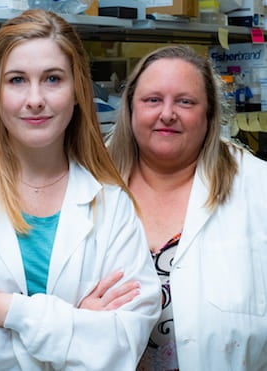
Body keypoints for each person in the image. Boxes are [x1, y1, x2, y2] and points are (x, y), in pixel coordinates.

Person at [0, 9, 161, 371]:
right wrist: (74, 328)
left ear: (78, 90)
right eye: (17, 80)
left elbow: (123, 344)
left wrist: (13, 311)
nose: (35, 99)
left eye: (52, 79)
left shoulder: (111, 203)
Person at [107, 44, 267, 370]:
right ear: (130, 108)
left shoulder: (257, 186)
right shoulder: (89, 182)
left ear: (209, 115)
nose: (167, 113)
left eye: (185, 101)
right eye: (152, 100)